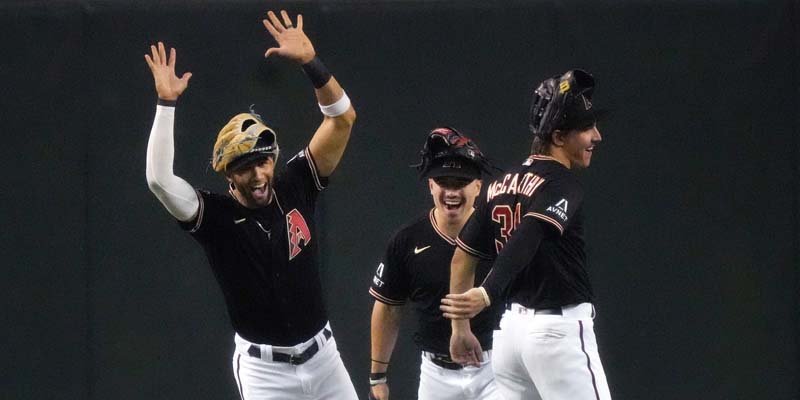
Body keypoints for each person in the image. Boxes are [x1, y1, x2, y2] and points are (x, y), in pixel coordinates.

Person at [144, 10, 358, 400]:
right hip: (265, 372)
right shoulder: (217, 218)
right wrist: (165, 103)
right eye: (244, 167)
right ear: (228, 175)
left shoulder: (295, 184)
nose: (257, 174)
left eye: (262, 160)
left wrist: (312, 63)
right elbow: (159, 180)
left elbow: (342, 118)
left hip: (325, 359)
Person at [440, 69, 613, 400]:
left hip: (511, 338)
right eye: (587, 128)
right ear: (559, 137)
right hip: (556, 334)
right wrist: (488, 292)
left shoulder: (500, 184)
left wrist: (459, 329)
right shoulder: (561, 182)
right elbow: (531, 233)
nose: (597, 136)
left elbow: (463, 253)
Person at [367, 127, 504, 400]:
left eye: (460, 182)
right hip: (436, 374)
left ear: (478, 187)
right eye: (443, 182)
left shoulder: (500, 233)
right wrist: (377, 376)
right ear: (431, 186)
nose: (451, 191)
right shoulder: (408, 239)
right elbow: (388, 308)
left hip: (496, 368)